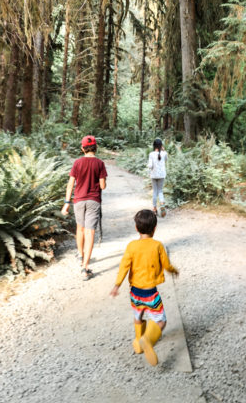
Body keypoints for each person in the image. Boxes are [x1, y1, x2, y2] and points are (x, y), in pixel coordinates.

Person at [110, 208, 178, 367]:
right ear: (155, 228)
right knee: (161, 321)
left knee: (138, 315)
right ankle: (147, 340)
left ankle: (139, 344)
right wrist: (174, 271)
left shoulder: (132, 246)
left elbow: (124, 267)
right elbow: (167, 265)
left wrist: (117, 285)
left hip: (135, 293)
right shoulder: (158, 246)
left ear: (136, 228)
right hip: (150, 293)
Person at [62, 135, 107, 280]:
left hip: (78, 201)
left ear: (82, 148)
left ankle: (81, 254)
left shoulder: (77, 163)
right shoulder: (100, 163)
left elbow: (70, 184)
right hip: (93, 200)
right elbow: (102, 186)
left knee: (80, 228)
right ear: (96, 148)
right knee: (90, 233)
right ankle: (85, 267)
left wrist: (66, 203)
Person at [147, 137, 168, 217]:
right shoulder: (164, 153)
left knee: (155, 191)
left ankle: (155, 209)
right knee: (160, 191)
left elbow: (150, 165)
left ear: (154, 145)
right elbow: (166, 159)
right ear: (161, 145)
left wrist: (149, 167)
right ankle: (162, 204)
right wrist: (163, 150)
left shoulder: (151, 154)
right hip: (162, 175)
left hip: (154, 175)